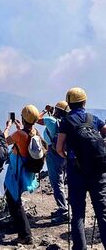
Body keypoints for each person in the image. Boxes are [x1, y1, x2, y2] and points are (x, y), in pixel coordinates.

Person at [56, 87, 106, 250]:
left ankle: (80, 248)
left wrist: (69, 159)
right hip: (98, 171)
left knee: (78, 213)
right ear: (84, 102)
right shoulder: (94, 119)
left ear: (69, 104)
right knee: (102, 211)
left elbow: (59, 148)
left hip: (76, 173)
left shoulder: (66, 121)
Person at [3, 105, 41, 245]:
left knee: (14, 201)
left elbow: (3, 142)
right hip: (25, 170)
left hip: (16, 172)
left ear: (24, 119)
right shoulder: (34, 132)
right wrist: (19, 128)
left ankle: (25, 235)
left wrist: (7, 127)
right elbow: (25, 141)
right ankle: (18, 228)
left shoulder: (19, 135)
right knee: (14, 198)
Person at [37, 101, 70, 223]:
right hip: (65, 154)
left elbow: (36, 119)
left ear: (58, 110)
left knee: (57, 182)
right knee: (64, 180)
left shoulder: (51, 121)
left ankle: (63, 211)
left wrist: (45, 111)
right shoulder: (67, 122)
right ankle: (65, 208)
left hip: (54, 152)